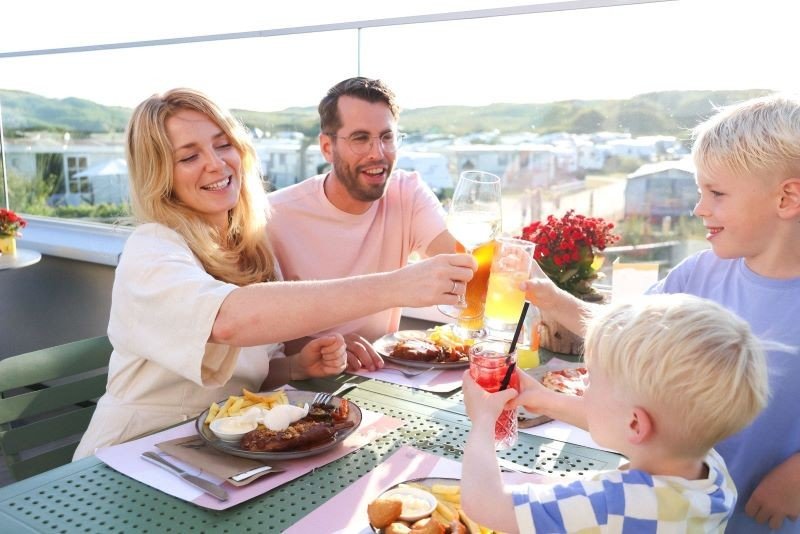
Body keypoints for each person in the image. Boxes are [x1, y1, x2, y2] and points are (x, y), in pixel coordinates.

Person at [73, 88, 475, 459]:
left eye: (222, 144)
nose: (216, 163)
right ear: (159, 174)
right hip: (131, 457)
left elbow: (240, 373)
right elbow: (228, 322)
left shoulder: (248, 248)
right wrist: (396, 285)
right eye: (189, 156)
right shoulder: (151, 248)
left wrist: (299, 366)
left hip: (224, 451)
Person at [520, 94, 800, 532]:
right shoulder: (699, 273)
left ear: (787, 197)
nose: (699, 208)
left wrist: (795, 476)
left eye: (717, 193)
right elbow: (621, 337)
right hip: (678, 512)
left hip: (768, 516)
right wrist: (552, 297)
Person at [461, 294, 769, 533]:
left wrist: (483, 423)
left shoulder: (612, 502)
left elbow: (485, 505)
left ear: (635, 422)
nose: (582, 383)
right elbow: (628, 427)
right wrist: (544, 399)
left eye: (591, 379)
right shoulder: (711, 471)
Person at [267, 77, 457, 372]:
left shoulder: (407, 192)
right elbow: (264, 335)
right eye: (360, 138)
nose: (377, 153)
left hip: (386, 373)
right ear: (327, 148)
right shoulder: (274, 216)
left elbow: (458, 267)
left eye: (386, 137)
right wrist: (331, 346)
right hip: (305, 382)